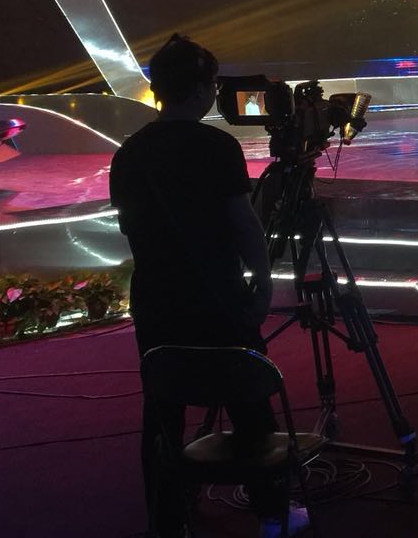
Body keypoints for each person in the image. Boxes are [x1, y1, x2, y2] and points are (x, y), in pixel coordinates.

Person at [109, 34, 308, 538]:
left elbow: (129, 226)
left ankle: (165, 520)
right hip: (218, 298)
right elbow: (243, 225)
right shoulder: (217, 147)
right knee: (249, 405)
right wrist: (262, 282)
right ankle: (272, 514)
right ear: (200, 89)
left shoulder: (129, 153)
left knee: (162, 413)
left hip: (155, 302)